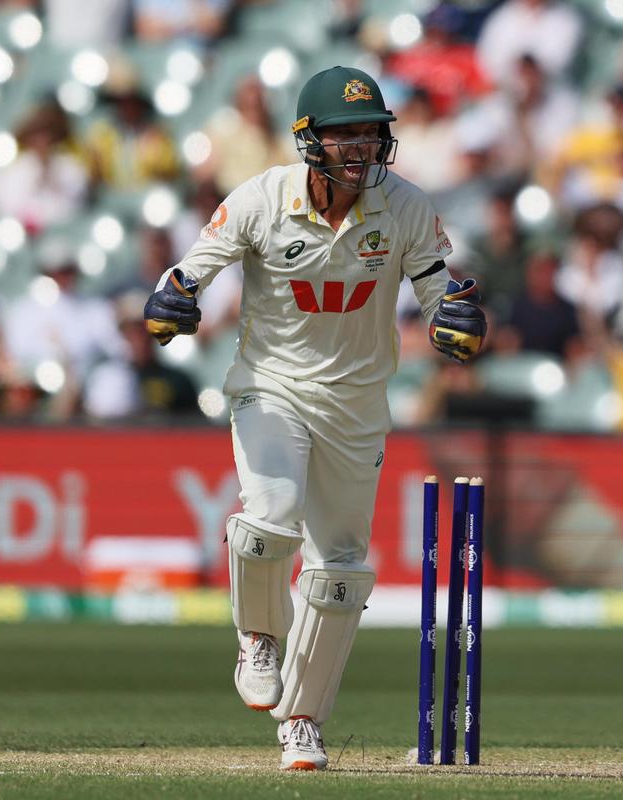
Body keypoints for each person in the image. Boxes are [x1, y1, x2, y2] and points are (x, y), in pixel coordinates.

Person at [141, 66, 487, 770]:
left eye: (370, 132)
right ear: (309, 141)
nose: (360, 147)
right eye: (344, 134)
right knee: (271, 515)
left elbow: (437, 293)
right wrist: (172, 301)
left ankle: (302, 720)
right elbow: (186, 275)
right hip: (272, 384)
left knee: (340, 573)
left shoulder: (406, 207)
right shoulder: (262, 200)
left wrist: (457, 318)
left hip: (358, 405)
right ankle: (259, 638)